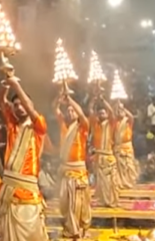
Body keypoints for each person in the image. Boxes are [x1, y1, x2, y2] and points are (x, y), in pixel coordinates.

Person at [0, 76, 47, 241]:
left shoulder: (38, 126)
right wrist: (5, 83)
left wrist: (16, 84)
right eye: (15, 105)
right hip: (10, 190)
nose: (19, 107)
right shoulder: (12, 123)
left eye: (22, 104)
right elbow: (1, 100)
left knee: (31, 233)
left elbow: (30, 109)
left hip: (28, 191)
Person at [56, 91, 91, 239]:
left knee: (76, 204)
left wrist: (70, 99)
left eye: (72, 110)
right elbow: (55, 109)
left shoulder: (82, 127)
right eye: (68, 111)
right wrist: (59, 98)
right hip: (65, 171)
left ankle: (76, 230)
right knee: (65, 203)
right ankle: (71, 227)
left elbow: (82, 115)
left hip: (78, 172)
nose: (70, 113)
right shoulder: (65, 127)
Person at [90, 98, 119, 208]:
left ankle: (110, 201)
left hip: (108, 157)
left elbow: (111, 112)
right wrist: (94, 99)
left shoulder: (111, 124)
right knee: (101, 183)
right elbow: (91, 112)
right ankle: (103, 201)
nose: (101, 114)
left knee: (109, 182)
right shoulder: (96, 125)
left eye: (103, 112)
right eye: (100, 113)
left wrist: (103, 100)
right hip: (99, 157)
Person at [112, 100, 138, 190]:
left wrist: (122, 107)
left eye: (122, 110)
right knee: (120, 169)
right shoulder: (115, 123)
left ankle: (130, 183)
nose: (120, 111)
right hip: (118, 148)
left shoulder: (127, 121)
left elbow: (131, 117)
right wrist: (116, 107)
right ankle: (122, 184)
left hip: (128, 148)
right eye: (118, 110)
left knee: (129, 167)